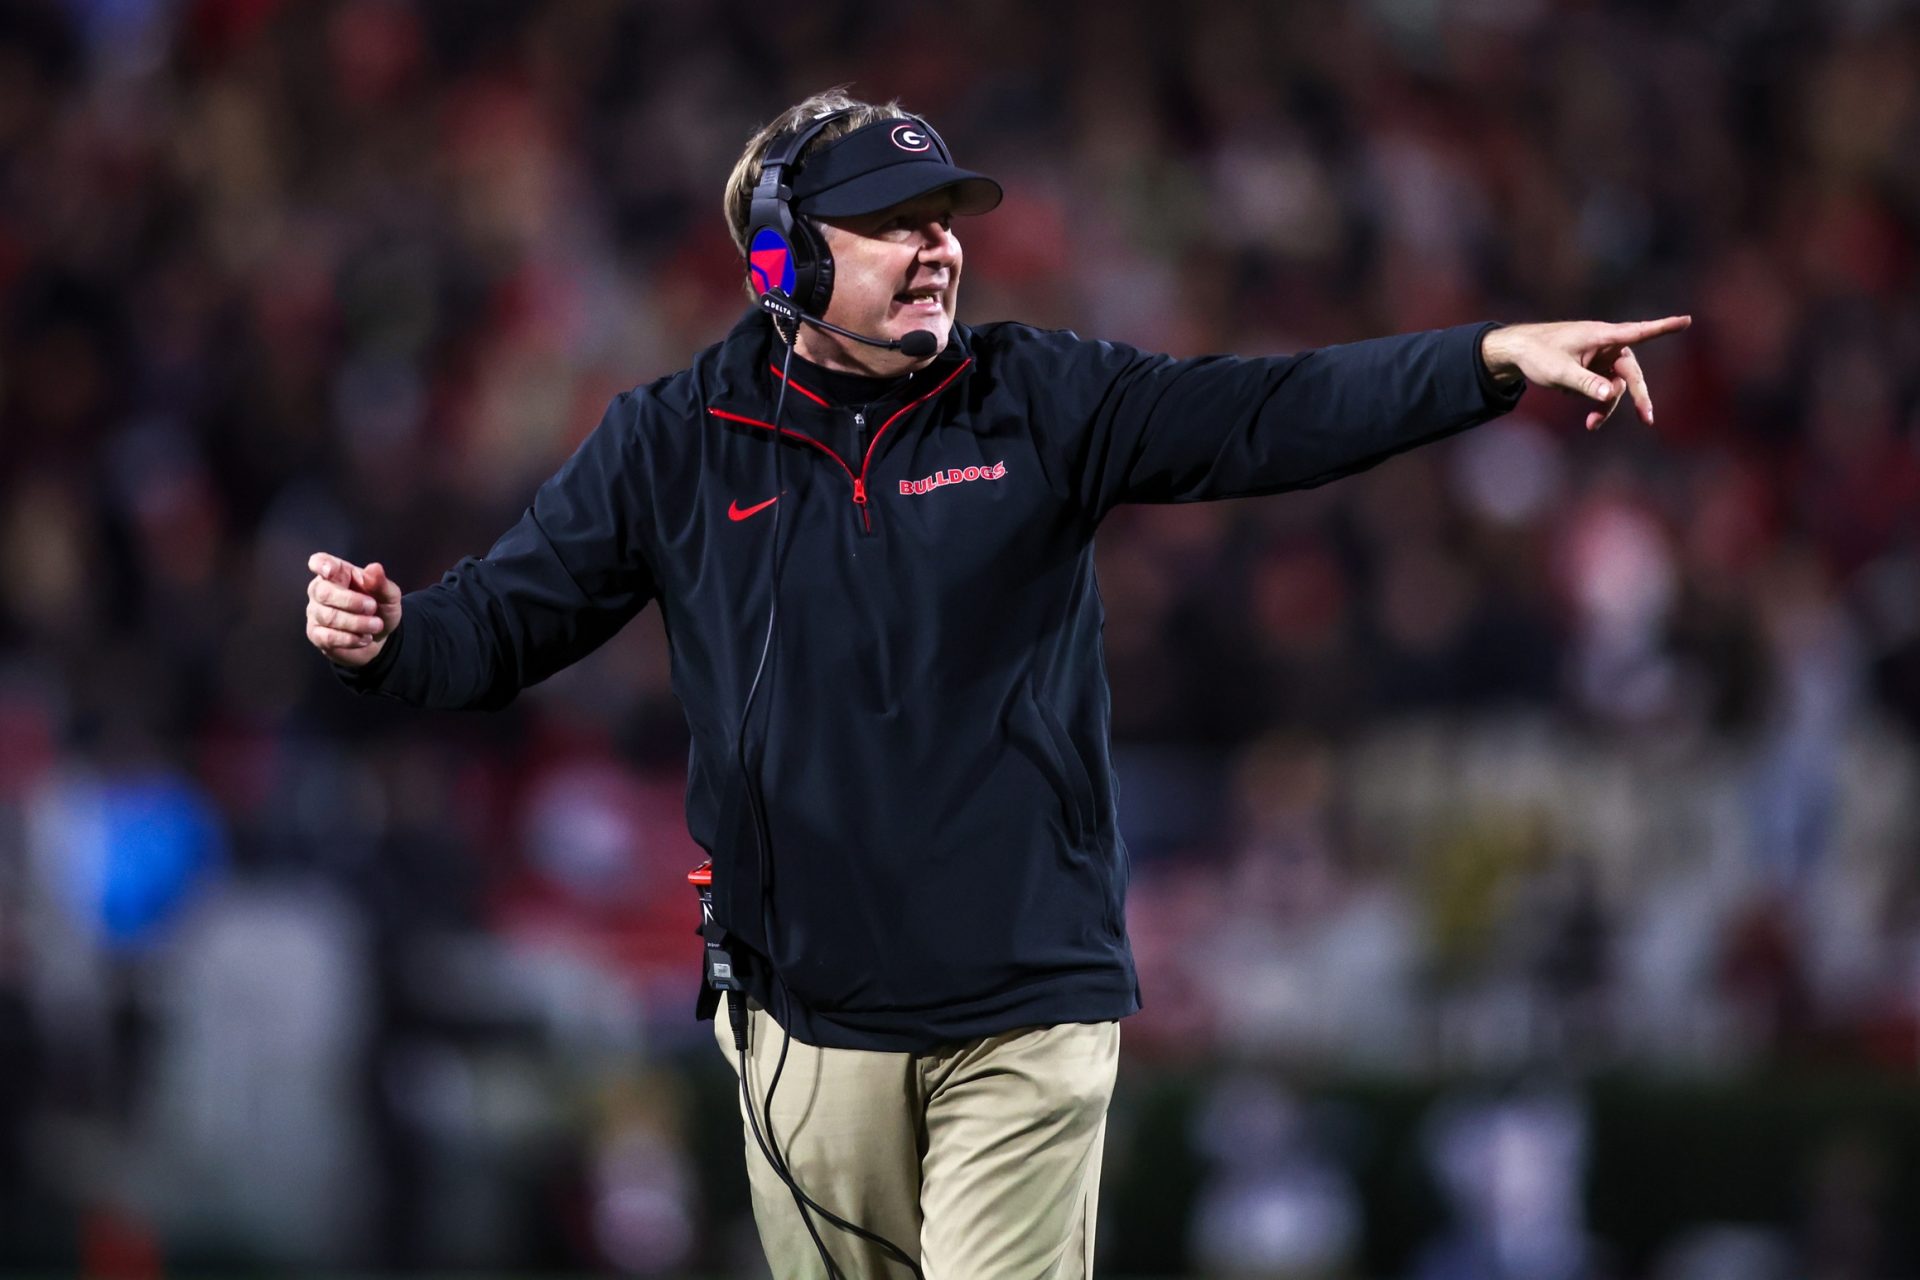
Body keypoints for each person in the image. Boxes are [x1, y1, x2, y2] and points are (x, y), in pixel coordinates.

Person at [306, 87, 1690, 1279]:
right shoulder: (674, 444)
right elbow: (499, 626)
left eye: (946, 217)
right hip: (802, 1020)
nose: (940, 247)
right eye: (897, 222)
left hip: (1022, 1003)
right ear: (781, 260)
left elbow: (1264, 415)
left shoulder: (1039, 398)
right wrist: (389, 638)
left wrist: (1488, 360)